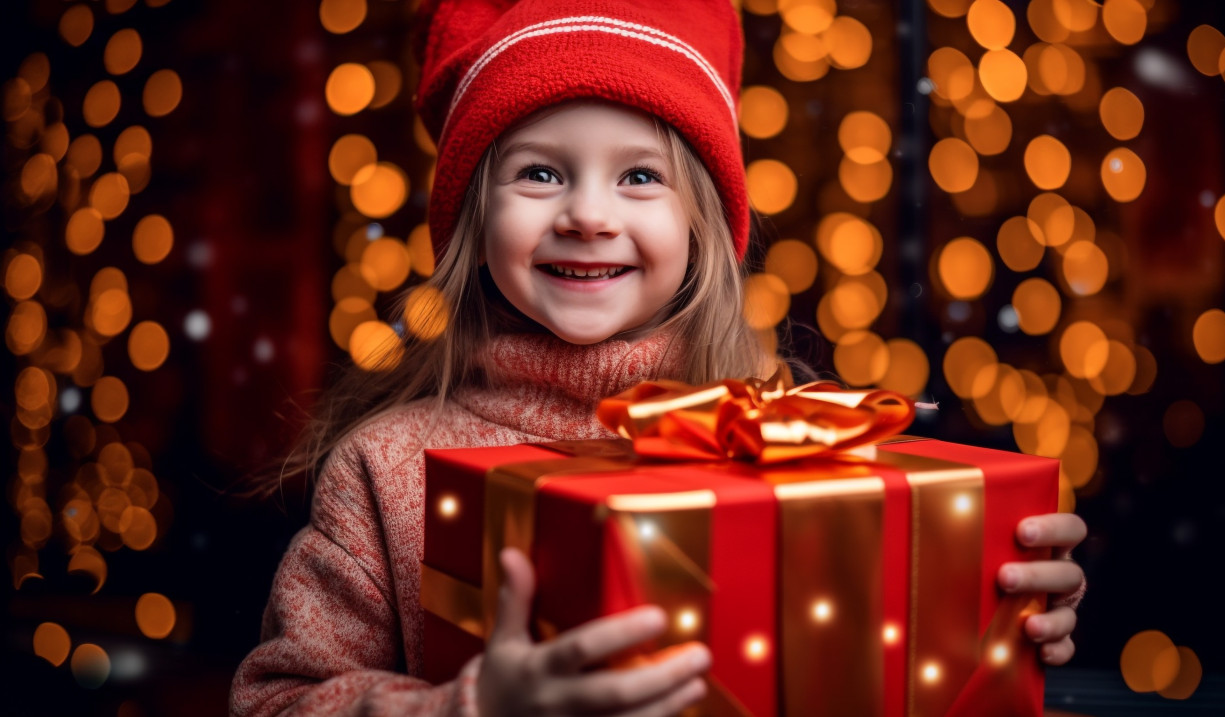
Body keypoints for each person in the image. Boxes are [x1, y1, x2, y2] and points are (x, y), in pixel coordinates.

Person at [231, 0, 1087, 714]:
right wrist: (472, 705)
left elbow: (873, 639)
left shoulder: (791, 432)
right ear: (469, 220)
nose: (588, 216)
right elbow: (273, 700)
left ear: (700, 227)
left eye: (640, 177)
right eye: (539, 174)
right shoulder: (384, 467)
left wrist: (995, 605)